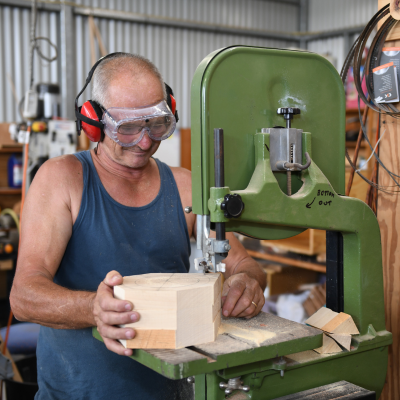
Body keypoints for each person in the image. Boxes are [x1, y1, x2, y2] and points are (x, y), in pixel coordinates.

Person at [10, 53, 266, 399]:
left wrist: (246, 282)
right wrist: (93, 309)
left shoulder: (185, 186)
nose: (145, 142)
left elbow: (241, 262)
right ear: (94, 121)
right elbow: (23, 296)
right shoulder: (61, 180)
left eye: (156, 125)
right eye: (127, 128)